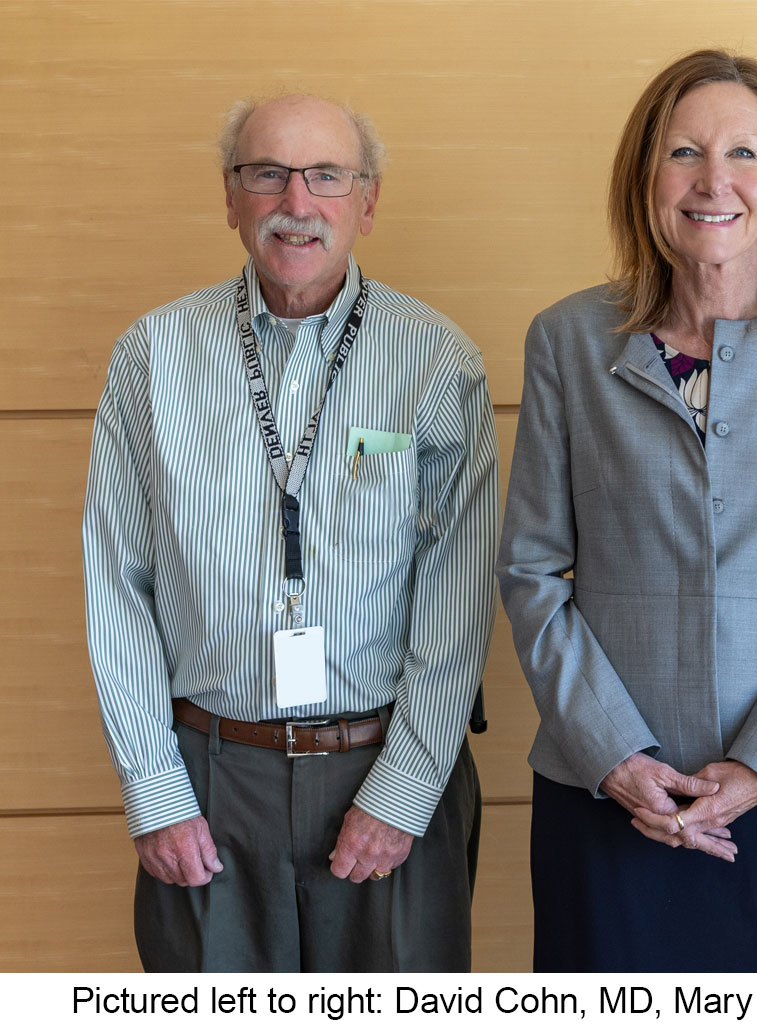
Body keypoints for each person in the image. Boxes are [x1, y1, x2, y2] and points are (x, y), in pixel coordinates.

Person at [497, 49, 757, 973]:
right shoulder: (567, 341)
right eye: (684, 152)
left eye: (743, 154)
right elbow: (529, 571)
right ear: (646, 177)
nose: (713, 181)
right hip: (603, 798)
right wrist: (616, 757)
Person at [82, 93, 499, 972]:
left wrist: (406, 789)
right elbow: (115, 587)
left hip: (388, 766)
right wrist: (154, 791)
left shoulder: (438, 361)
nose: (296, 202)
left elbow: (457, 604)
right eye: (266, 174)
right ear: (231, 199)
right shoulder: (151, 357)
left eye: (326, 176)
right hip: (210, 779)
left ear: (369, 201)